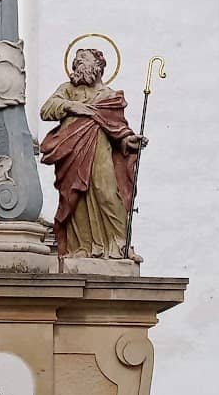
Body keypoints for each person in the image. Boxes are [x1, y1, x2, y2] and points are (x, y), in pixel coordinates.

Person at [39, 48, 145, 259]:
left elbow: (117, 128)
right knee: (75, 197)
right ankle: (81, 248)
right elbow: (46, 110)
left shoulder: (109, 96)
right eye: (76, 61)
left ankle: (120, 245)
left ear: (97, 66)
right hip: (71, 152)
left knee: (108, 193)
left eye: (83, 60)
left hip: (100, 151)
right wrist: (72, 106)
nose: (77, 64)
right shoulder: (68, 89)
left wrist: (128, 141)